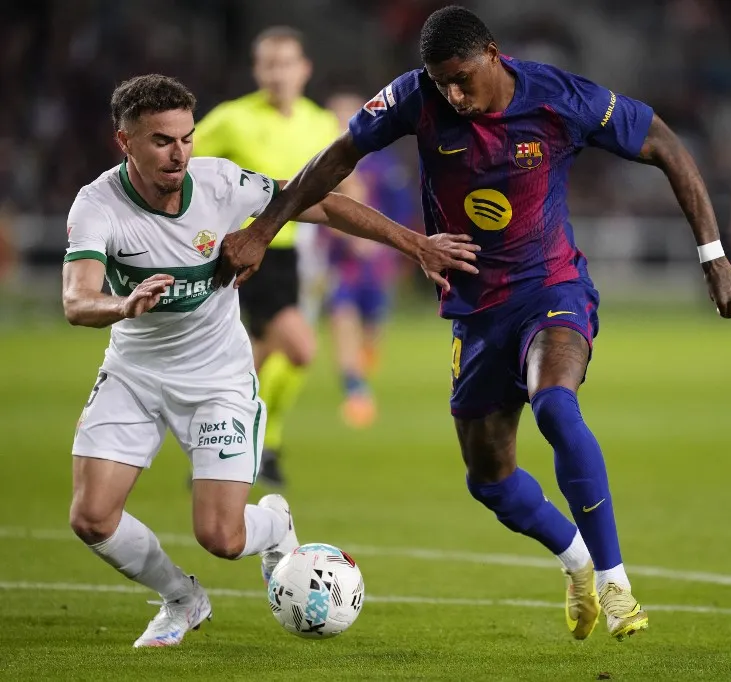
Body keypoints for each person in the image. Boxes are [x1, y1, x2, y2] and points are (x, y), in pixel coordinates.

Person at [216, 5, 731, 641]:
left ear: (492, 53)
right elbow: (337, 159)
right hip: (476, 312)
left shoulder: (557, 97)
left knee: (555, 403)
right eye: (440, 81)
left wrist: (711, 255)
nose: (453, 94)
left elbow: (662, 142)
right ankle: (575, 562)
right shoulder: (417, 98)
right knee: (489, 479)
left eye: (462, 77)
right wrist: (263, 228)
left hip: (554, 288)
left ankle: (615, 582)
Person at [62, 74, 478, 648]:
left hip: (217, 381)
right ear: (124, 142)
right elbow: (76, 300)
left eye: (185, 138)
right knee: (91, 518)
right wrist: (124, 304)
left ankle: (276, 522)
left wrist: (417, 243)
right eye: (161, 141)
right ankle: (181, 599)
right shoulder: (97, 205)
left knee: (222, 538)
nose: (179, 153)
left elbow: (323, 204)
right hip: (133, 374)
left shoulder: (220, 183)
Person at [192, 26, 340, 486]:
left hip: (292, 252)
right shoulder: (230, 119)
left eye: (286, 64)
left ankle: (230, 440)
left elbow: (335, 182)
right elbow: (179, 165)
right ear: (258, 70)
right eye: (269, 65)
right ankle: (252, 439)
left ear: (304, 69)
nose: (278, 74)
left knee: (252, 359)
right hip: (240, 251)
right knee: (300, 348)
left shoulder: (321, 123)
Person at [322, 92, 419, 427]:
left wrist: (390, 244)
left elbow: (402, 209)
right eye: (335, 117)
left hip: (378, 262)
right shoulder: (322, 165)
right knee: (342, 316)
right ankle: (356, 392)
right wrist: (338, 238)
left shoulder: (383, 164)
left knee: (373, 328)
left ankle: (361, 374)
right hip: (342, 263)